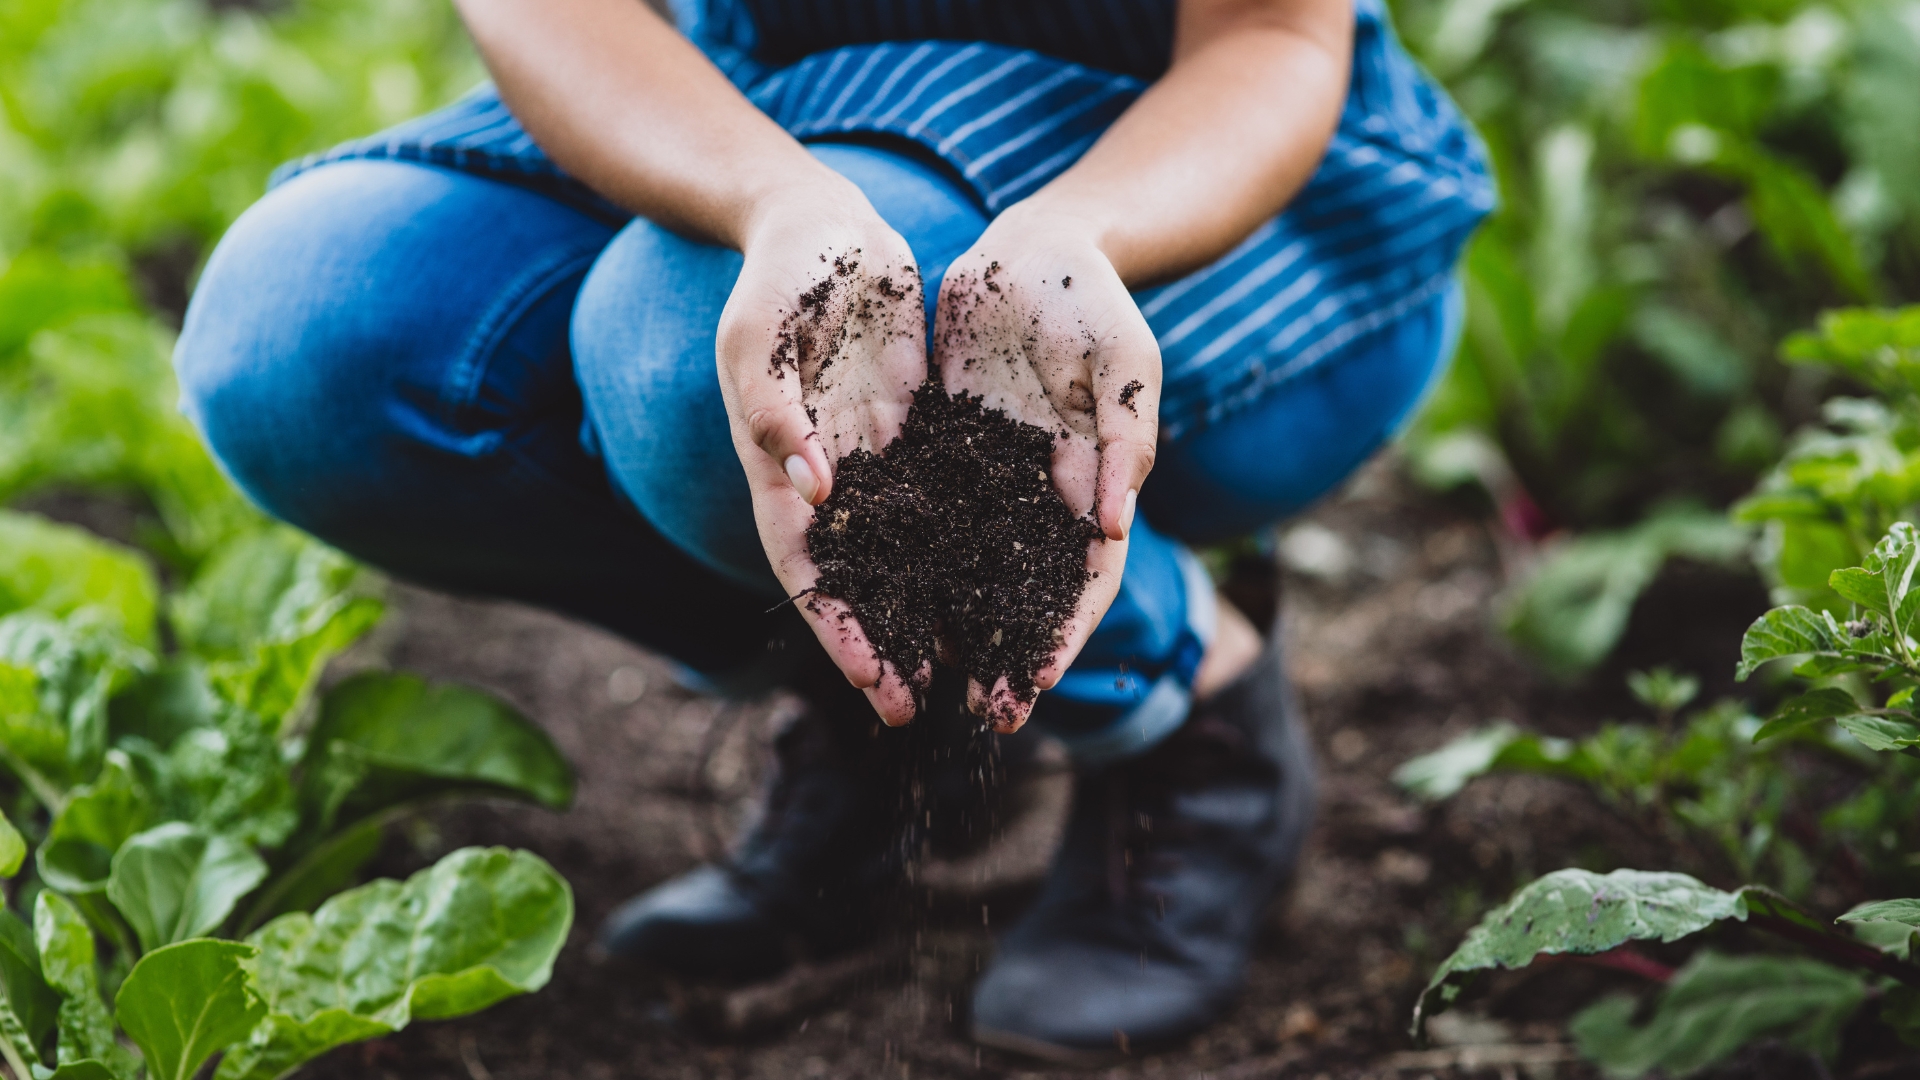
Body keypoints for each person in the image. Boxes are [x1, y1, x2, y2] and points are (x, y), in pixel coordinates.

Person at [173, 0, 1490, 1061]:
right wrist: (771, 202)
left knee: (691, 360)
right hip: (748, 103)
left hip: (1181, 164)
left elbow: (1272, 37)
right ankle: (893, 705)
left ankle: (1189, 701)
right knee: (300, 345)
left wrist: (1082, 230)